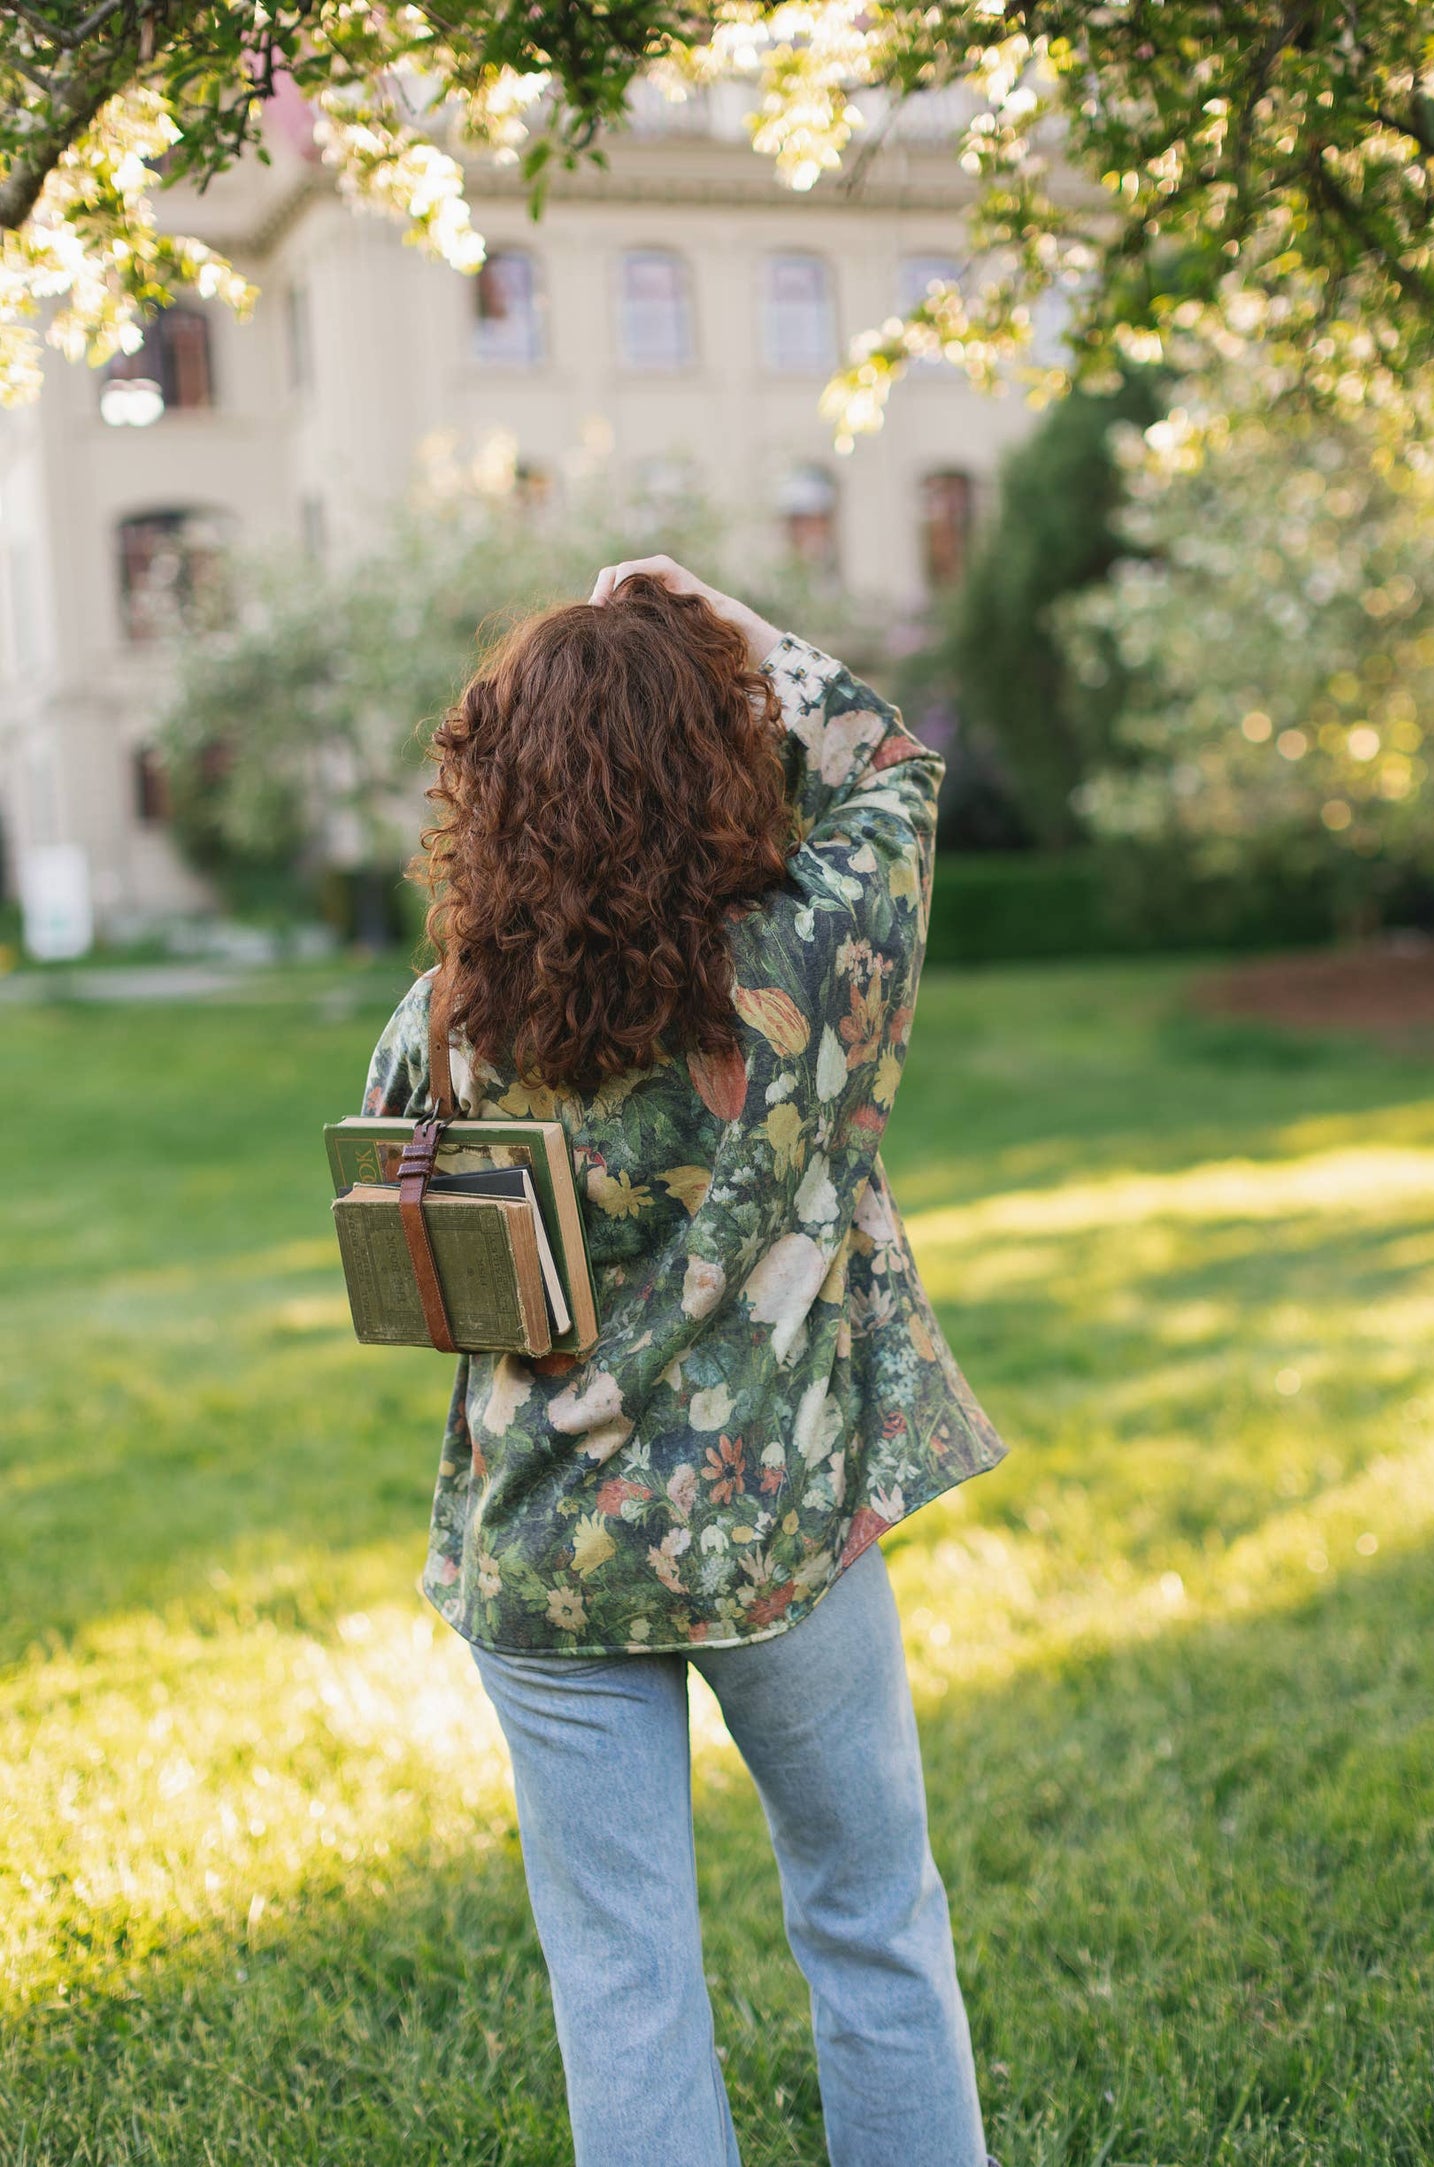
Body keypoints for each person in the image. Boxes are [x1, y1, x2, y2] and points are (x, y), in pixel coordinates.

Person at [361, 556, 1009, 2166]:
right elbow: (892, 766)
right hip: (781, 1532)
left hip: (549, 1551)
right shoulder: (805, 973)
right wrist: (727, 619)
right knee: (869, 1920)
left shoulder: (444, 1020)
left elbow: (404, 1229)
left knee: (620, 1975)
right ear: (715, 764)